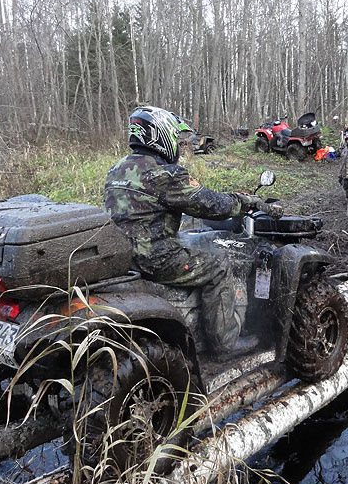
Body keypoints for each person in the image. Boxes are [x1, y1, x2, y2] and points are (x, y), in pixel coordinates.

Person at [104, 105, 282, 358]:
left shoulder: (118, 169)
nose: (177, 145)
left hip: (123, 258)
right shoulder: (165, 172)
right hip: (156, 260)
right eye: (175, 138)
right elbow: (213, 205)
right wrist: (246, 201)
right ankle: (225, 345)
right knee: (218, 264)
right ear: (160, 135)